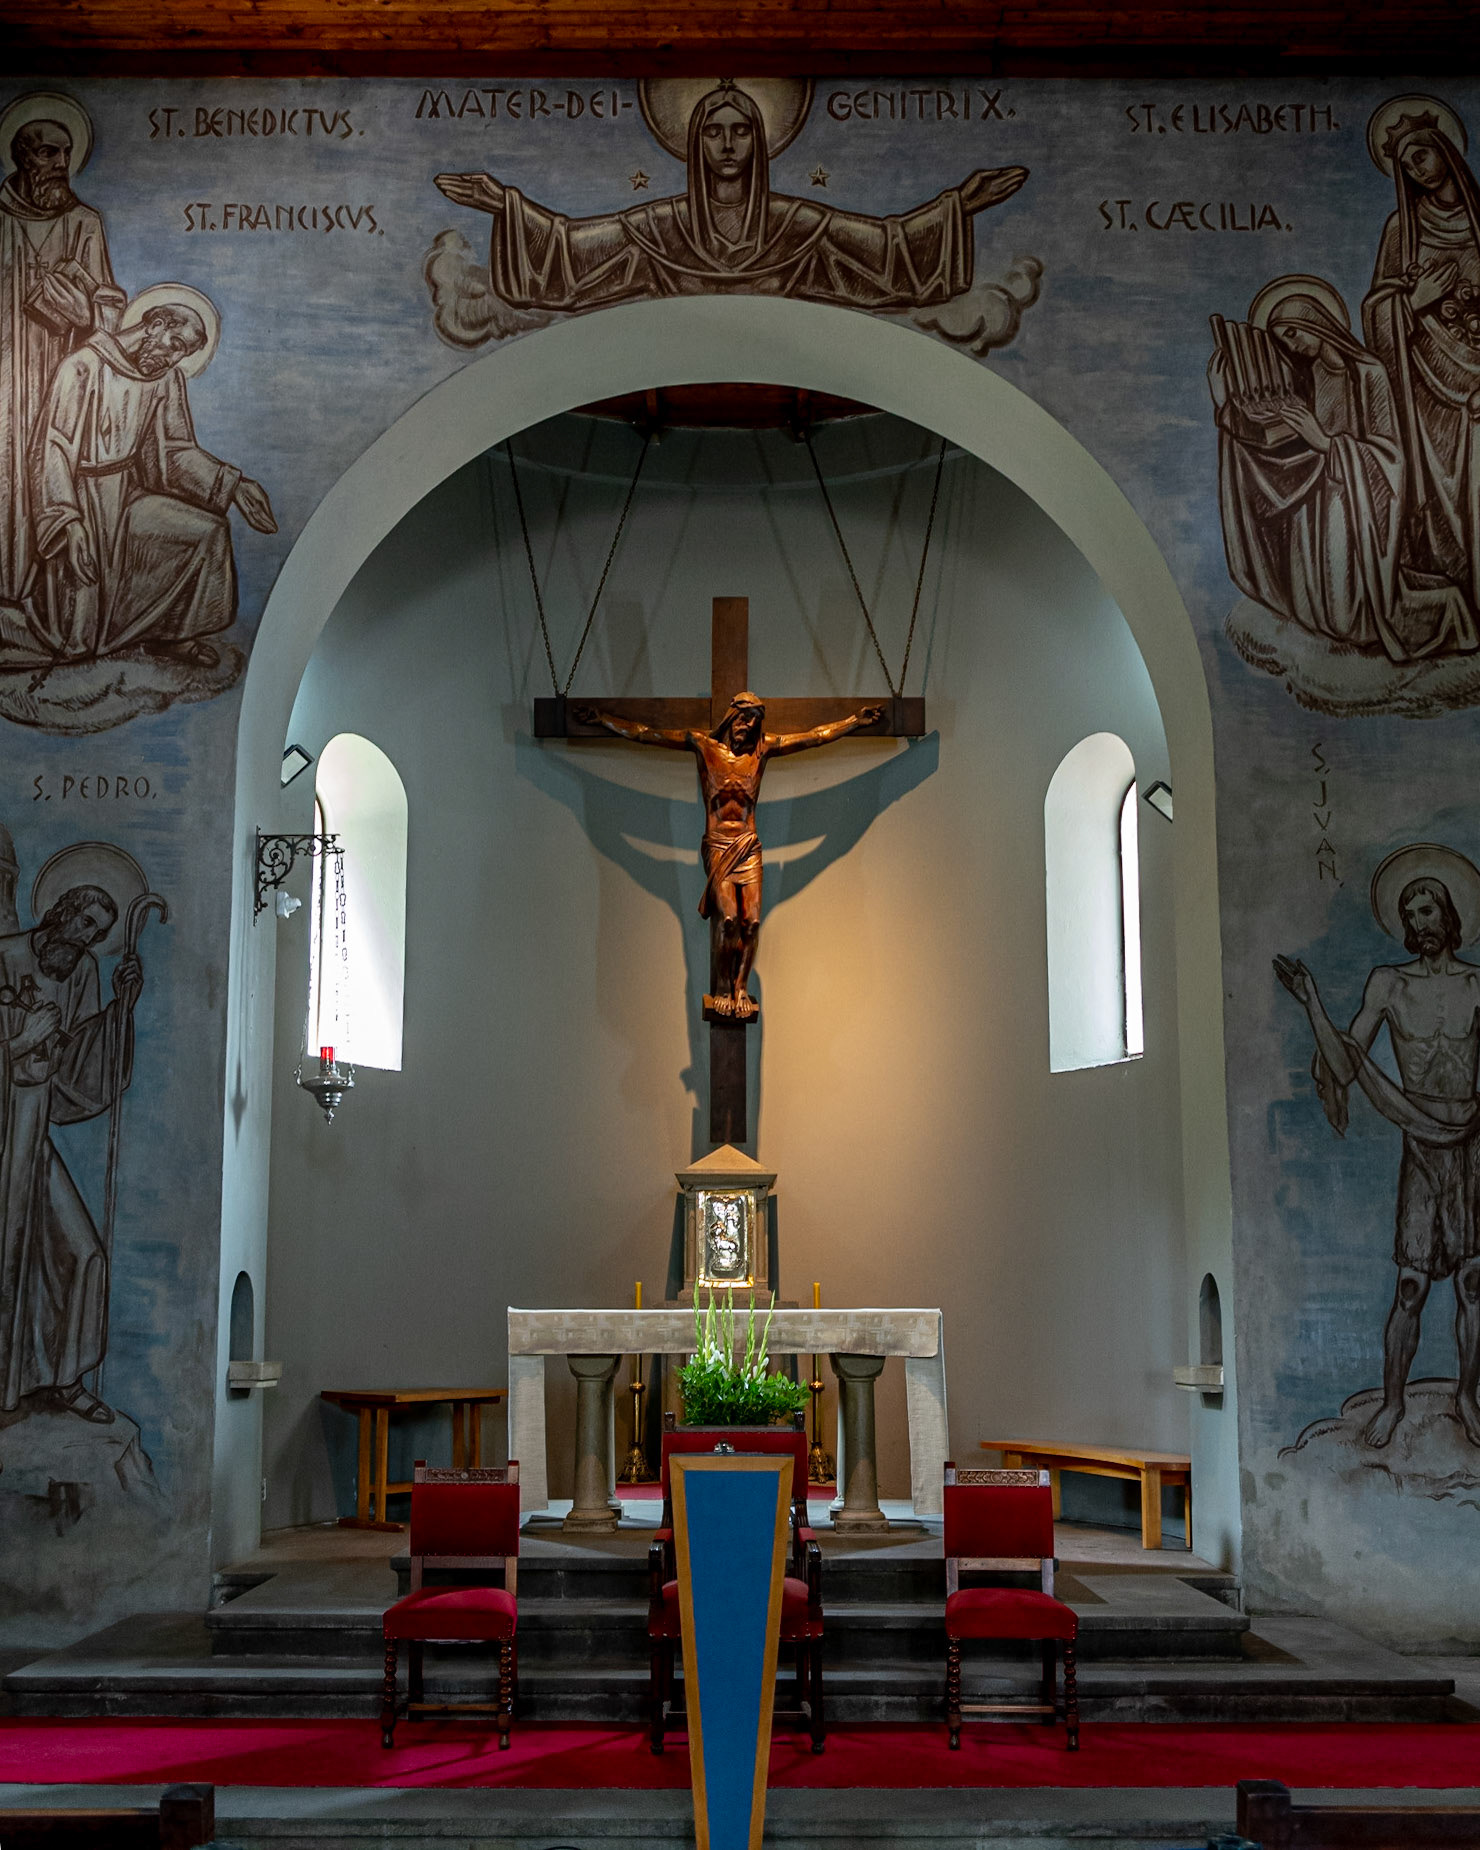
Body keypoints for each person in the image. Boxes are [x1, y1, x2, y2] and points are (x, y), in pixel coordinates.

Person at [435, 80, 1027, 314]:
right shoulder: (658, 226)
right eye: (713, 132)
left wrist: (960, 206)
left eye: (741, 131)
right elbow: (570, 252)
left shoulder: (796, 222)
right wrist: (505, 204)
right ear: (693, 143)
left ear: (760, 142)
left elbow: (886, 249)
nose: (727, 145)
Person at [1275, 875, 1480, 1448]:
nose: (1420, 924)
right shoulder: (1389, 984)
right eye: (1410, 915)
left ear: (1449, 914)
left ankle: (1468, 1396)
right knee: (1411, 1287)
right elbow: (1344, 1066)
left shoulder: (1476, 985)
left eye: (1428, 910)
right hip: (1419, 1141)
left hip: (1470, 1143)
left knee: (1473, 1282)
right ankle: (1392, 1402)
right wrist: (1313, 1002)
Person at [572, 691, 884, 1017]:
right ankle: (723, 986)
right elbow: (646, 734)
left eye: (753, 721)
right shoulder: (705, 748)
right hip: (719, 844)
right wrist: (602, 720)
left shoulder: (762, 751)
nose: (747, 727)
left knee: (751, 923)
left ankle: (741, 987)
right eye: (743, 718)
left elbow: (814, 737)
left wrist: (854, 721)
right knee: (730, 919)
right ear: (731, 716)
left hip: (748, 845)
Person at [25, 299, 275, 666]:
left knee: (208, 532)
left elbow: (175, 452)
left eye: (183, 353)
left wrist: (234, 484)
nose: (174, 359)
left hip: (127, 499)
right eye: (175, 344)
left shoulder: (165, 378)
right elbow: (51, 452)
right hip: (83, 505)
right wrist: (70, 523)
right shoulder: (82, 366)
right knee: (80, 631)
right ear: (155, 323)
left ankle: (173, 635)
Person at [0, 884, 142, 1424]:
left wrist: (119, 1011)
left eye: (98, 932)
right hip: (1, 1133)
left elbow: (77, 1061)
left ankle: (64, 1379)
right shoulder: (4, 956)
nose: (87, 938)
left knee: (82, 1253)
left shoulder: (81, 971)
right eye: (83, 922)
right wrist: (18, 1043)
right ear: (60, 912)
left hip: (32, 1134)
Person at [1362, 108, 1480, 632]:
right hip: (1428, 394)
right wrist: (1414, 302)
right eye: (1407, 165)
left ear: (1445, 148)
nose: (1418, 169)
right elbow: (1375, 314)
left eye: (1422, 154)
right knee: (1446, 505)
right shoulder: (1401, 229)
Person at [0, 115, 114, 614]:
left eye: (65, 155)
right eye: (48, 154)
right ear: (23, 157)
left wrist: (84, 312)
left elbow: (107, 308)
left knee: (52, 467)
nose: (60, 165)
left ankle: (52, 601)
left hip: (65, 373)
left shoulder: (84, 223)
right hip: (7, 372)